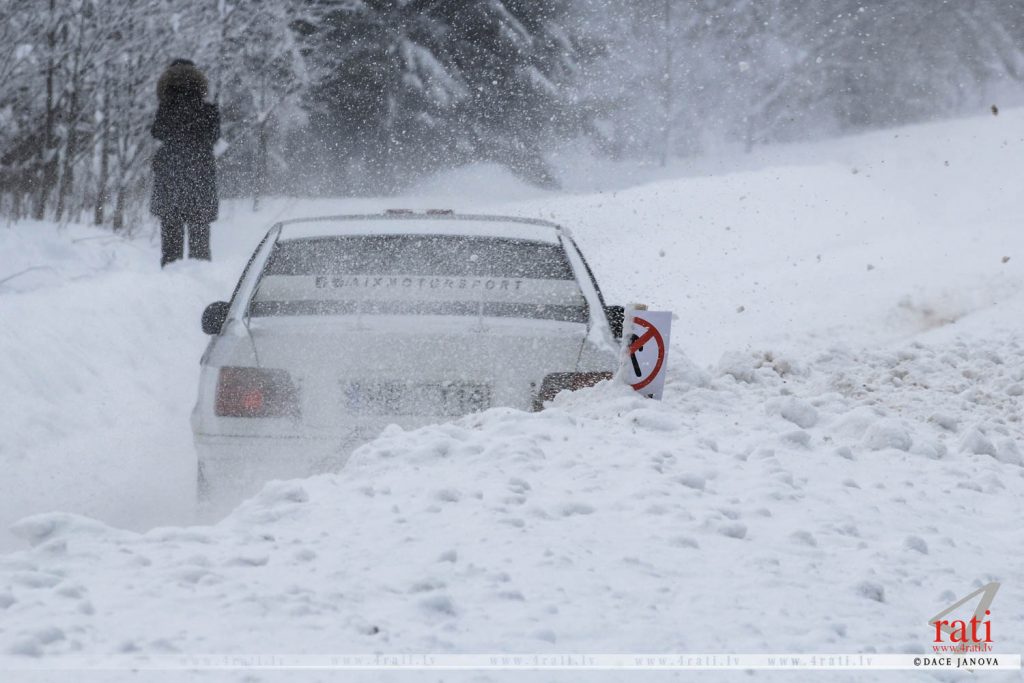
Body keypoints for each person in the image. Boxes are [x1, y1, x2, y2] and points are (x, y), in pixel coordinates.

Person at [150, 59, 220, 267]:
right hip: (200, 176)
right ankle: (200, 276)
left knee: (171, 239)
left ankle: (171, 275)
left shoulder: (165, 109)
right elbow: (214, 136)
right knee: (200, 237)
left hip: (170, 176)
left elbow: (157, 133)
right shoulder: (208, 110)